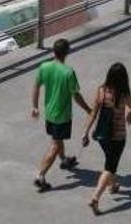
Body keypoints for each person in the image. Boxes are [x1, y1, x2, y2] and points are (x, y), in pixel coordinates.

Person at [81, 62, 131, 215]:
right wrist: (130, 113)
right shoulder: (123, 95)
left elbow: (93, 113)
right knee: (110, 167)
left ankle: (113, 185)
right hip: (118, 137)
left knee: (110, 159)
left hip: (102, 135)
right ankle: (95, 198)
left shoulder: (101, 91)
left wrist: (86, 132)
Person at [31, 39, 91, 192]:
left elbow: (36, 86)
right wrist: (88, 109)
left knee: (57, 139)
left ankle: (64, 160)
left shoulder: (44, 67)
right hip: (62, 116)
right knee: (56, 145)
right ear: (67, 53)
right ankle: (41, 176)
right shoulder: (68, 72)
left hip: (49, 114)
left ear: (54, 51)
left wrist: (35, 107)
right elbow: (76, 95)